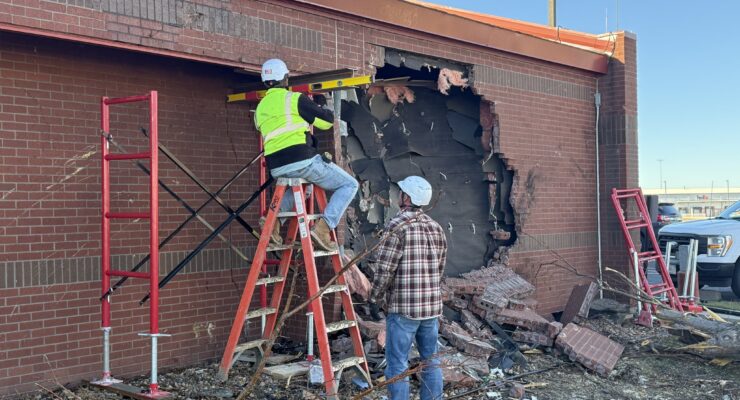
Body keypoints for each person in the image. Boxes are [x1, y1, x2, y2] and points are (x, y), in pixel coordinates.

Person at [255, 59, 358, 251]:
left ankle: (274, 221)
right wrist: (323, 106)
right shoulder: (294, 99)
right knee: (350, 184)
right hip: (302, 161)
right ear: (285, 78)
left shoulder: (260, 108)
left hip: (277, 167)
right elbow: (325, 122)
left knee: (304, 189)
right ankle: (324, 227)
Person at [368, 176, 447, 400]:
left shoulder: (397, 226)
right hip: (431, 309)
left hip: (404, 310)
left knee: (398, 364)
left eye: (400, 192)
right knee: (431, 361)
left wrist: (374, 298)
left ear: (407, 198)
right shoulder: (436, 228)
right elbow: (439, 268)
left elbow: (384, 268)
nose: (397, 196)